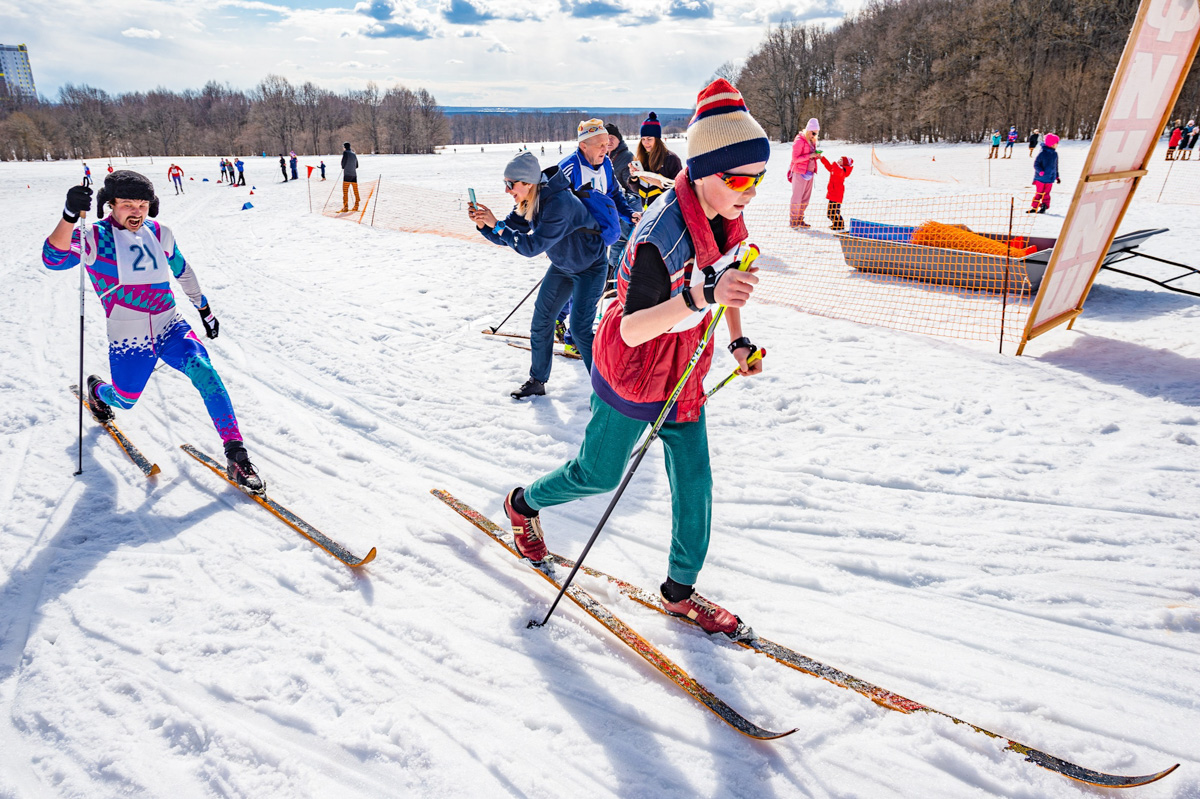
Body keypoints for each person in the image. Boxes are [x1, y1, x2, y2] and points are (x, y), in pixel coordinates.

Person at [501, 79, 768, 635]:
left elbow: (731, 279)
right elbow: (633, 328)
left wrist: (738, 338)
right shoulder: (658, 236)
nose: (751, 190)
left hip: (685, 363)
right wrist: (699, 298)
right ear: (704, 170)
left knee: (695, 477)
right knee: (597, 475)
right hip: (635, 365)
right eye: (741, 179)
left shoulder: (727, 213)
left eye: (759, 178)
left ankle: (679, 591)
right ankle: (524, 504)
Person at [42, 171, 264, 492]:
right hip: (129, 339)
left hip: (171, 325)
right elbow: (53, 258)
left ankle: (237, 455)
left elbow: (183, 271)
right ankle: (99, 392)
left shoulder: (160, 233)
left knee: (205, 372)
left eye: (143, 204)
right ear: (111, 205)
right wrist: (68, 216)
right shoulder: (94, 236)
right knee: (125, 399)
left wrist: (204, 309)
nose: (137, 211)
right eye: (128, 204)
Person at [468, 151, 608, 400]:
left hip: (590, 268)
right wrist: (484, 225)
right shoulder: (529, 200)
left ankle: (607, 394)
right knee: (541, 320)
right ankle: (537, 380)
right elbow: (509, 235)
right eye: (505, 184)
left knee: (580, 330)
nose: (507, 190)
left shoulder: (559, 204)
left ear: (528, 183)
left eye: (510, 184)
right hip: (563, 266)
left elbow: (530, 247)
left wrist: (496, 225)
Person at [554, 119, 641, 361]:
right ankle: (573, 339)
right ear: (584, 145)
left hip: (599, 238)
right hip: (575, 243)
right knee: (584, 289)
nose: (606, 148)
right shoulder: (568, 169)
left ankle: (559, 320)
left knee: (582, 289)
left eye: (607, 143)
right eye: (600, 144)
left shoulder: (607, 166)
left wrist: (629, 214)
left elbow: (613, 194)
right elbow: (551, 204)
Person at [630, 112, 683, 211]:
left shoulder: (671, 159)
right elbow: (637, 189)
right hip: (646, 211)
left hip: (666, 212)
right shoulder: (642, 158)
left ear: (657, 139)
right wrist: (634, 178)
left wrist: (660, 184)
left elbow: (681, 189)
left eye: (649, 139)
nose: (646, 143)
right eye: (643, 139)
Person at [788, 118, 820, 227]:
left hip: (810, 173)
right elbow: (795, 158)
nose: (815, 135)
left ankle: (800, 219)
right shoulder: (799, 140)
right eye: (813, 132)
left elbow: (811, 155)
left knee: (805, 199)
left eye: (816, 133)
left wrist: (816, 156)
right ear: (808, 130)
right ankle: (793, 220)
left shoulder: (813, 141)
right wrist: (810, 156)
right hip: (799, 172)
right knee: (797, 198)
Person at [819, 154, 853, 231]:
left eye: (841, 160)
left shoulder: (841, 170)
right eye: (839, 159)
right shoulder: (836, 168)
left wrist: (834, 163)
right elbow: (828, 166)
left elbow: (835, 168)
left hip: (837, 194)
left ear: (844, 163)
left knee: (834, 212)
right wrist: (822, 158)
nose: (839, 160)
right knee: (830, 213)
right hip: (832, 193)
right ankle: (836, 224)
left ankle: (840, 225)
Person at [1029, 133, 1060, 213]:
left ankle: (1044, 206)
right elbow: (1036, 164)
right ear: (1051, 144)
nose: (1057, 144)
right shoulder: (1042, 153)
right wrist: (1040, 171)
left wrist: (1057, 176)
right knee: (1039, 193)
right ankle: (1034, 207)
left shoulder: (1055, 154)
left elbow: (1055, 166)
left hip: (1050, 178)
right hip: (1040, 178)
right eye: (1056, 143)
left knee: (1046, 194)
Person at [341, 142, 360, 212]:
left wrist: (344, 167)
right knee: (355, 191)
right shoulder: (354, 153)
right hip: (354, 175)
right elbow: (357, 165)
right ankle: (356, 205)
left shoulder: (345, 153)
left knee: (345, 191)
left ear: (345, 147)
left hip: (347, 175)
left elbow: (343, 163)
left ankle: (345, 207)